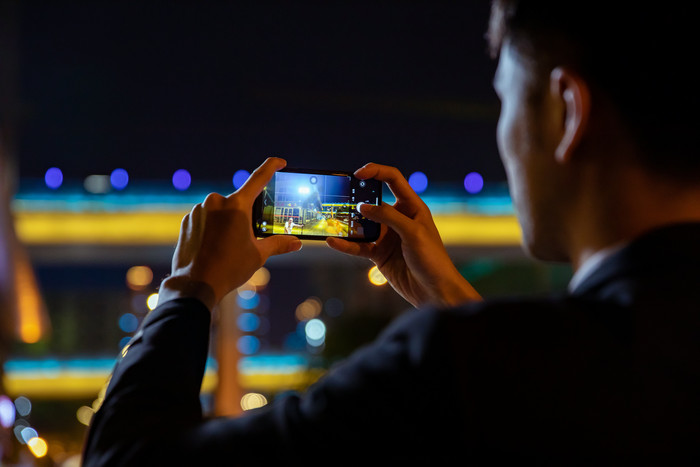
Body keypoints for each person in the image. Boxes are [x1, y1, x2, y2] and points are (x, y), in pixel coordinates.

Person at [82, 1, 700, 464]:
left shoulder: (450, 368)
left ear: (568, 111)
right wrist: (452, 298)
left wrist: (188, 291)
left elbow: (126, 457)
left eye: (506, 102)